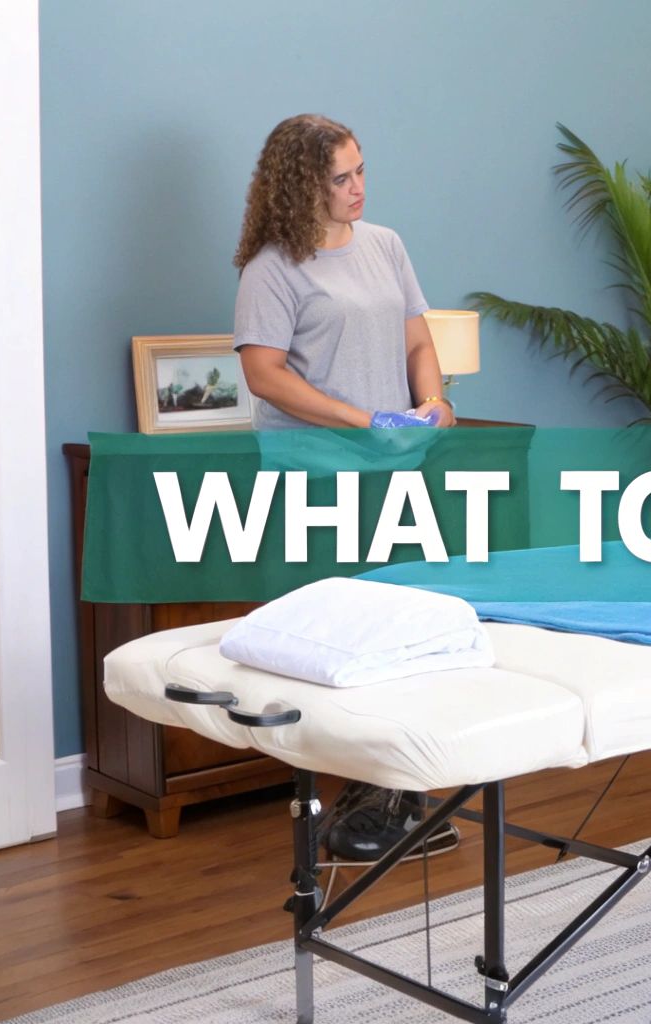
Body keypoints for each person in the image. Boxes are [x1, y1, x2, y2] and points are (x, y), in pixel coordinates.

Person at [232, 113, 458, 862]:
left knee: (401, 628)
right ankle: (370, 793)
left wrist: (436, 402)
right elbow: (265, 375)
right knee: (338, 637)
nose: (358, 188)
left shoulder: (385, 246)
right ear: (303, 185)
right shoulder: (272, 268)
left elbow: (417, 339)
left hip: (395, 470)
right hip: (317, 475)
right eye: (341, 177)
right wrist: (364, 420)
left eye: (362, 170)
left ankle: (403, 795)